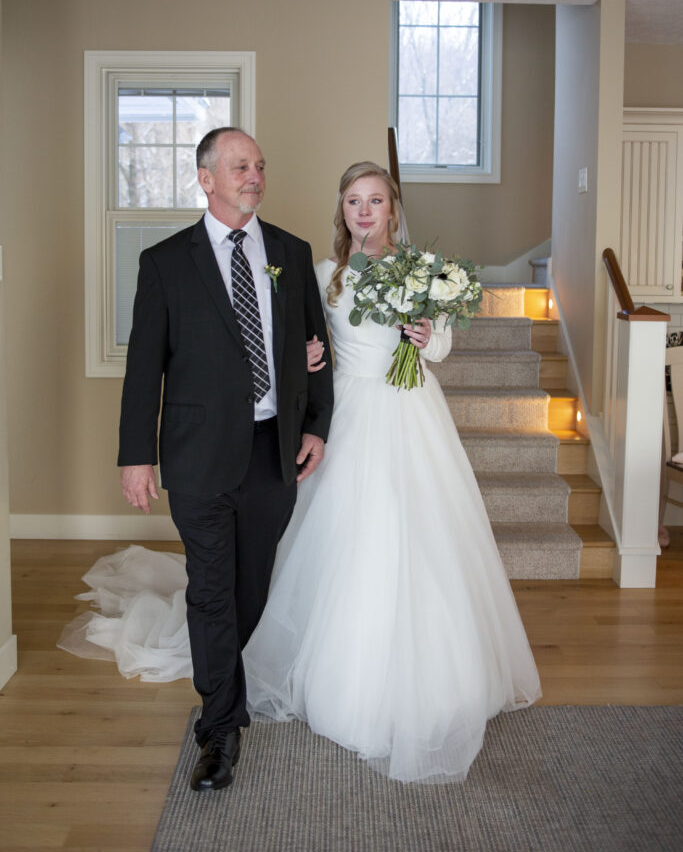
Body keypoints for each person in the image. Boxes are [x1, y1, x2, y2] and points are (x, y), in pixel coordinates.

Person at [241, 161, 542, 783]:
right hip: (348, 412)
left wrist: (428, 334)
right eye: (354, 201)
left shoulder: (420, 270)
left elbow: (439, 350)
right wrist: (309, 353)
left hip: (409, 410)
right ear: (342, 210)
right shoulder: (327, 274)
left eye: (376, 200)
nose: (365, 211)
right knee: (348, 539)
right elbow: (305, 344)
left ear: (392, 209)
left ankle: (432, 676)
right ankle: (335, 676)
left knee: (418, 537)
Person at [115, 127, 334, 791]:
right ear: (206, 178)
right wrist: (135, 455)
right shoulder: (165, 262)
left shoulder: (290, 254)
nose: (254, 175)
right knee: (211, 593)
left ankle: (221, 688)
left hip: (273, 455)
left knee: (249, 588)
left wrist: (316, 425)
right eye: (240, 165)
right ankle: (219, 728)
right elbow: (143, 367)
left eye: (260, 165)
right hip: (197, 456)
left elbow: (316, 350)